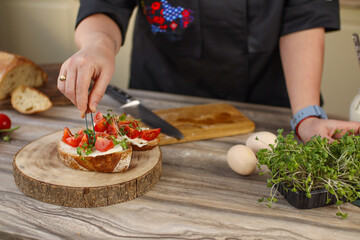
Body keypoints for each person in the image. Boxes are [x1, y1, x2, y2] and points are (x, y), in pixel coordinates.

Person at [57, 0, 360, 142]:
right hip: (161, 102)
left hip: (272, 107)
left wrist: (306, 115)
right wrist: (98, 44)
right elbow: (106, 5)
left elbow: (303, 16)